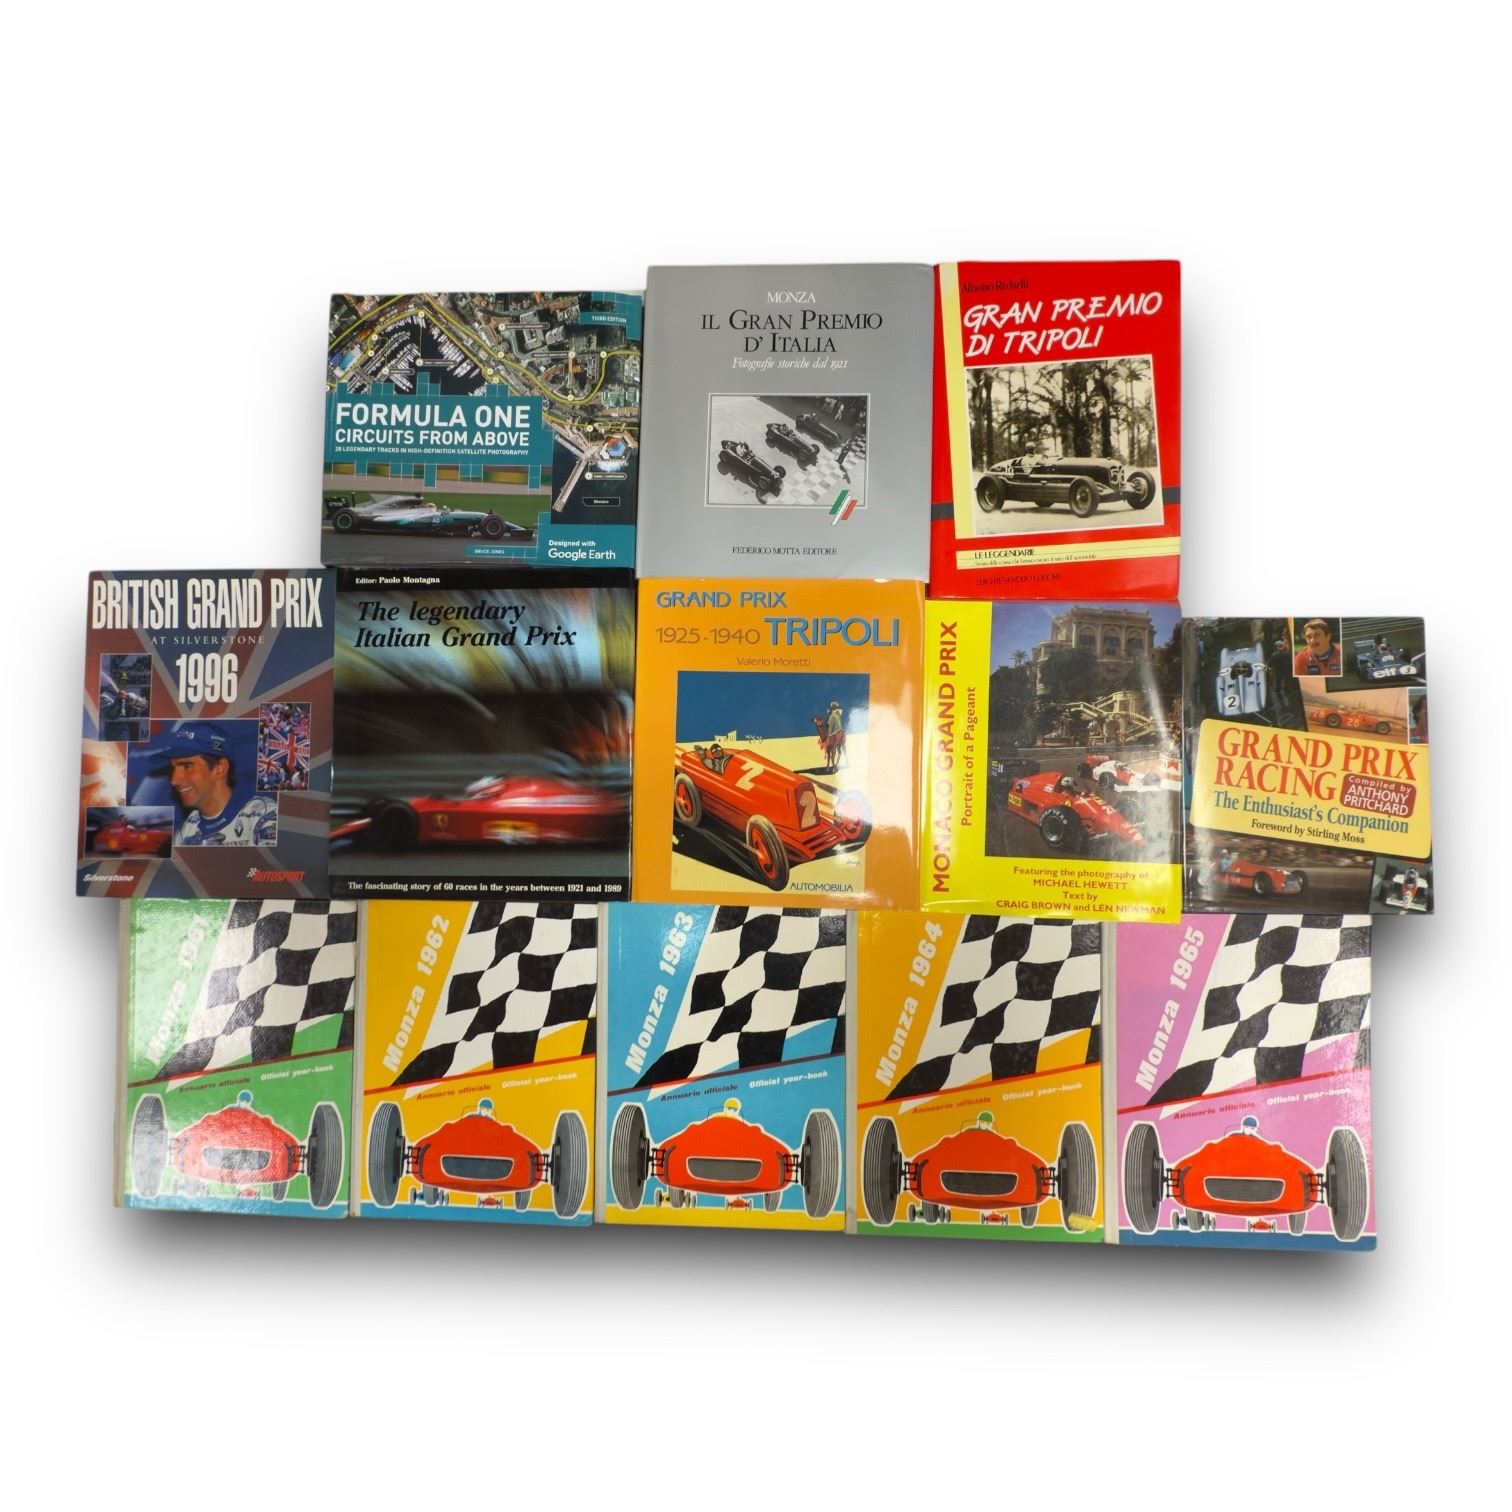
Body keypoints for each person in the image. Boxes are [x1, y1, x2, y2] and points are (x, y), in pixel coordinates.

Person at [150, 723, 276, 846]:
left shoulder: (262, 814)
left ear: (220, 768)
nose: (174, 780)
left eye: (187, 766)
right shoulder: (187, 830)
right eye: (173, 769)